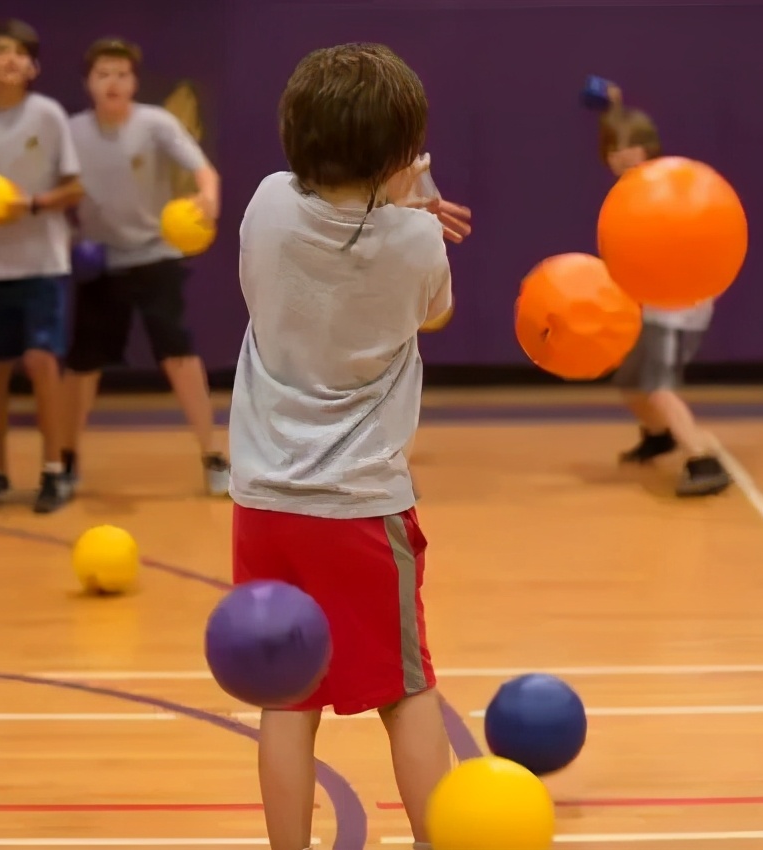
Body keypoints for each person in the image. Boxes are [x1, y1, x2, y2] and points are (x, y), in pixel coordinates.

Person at [226, 43, 470, 850]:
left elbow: (321, 229)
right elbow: (434, 312)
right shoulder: (417, 246)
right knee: (407, 691)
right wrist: (414, 206)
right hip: (362, 509)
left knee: (286, 700)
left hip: (263, 502)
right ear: (404, 156)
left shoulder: (265, 205)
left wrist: (398, 204)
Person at [62, 38, 228, 495]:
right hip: (100, 261)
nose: (112, 82)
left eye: (121, 73)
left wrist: (208, 198)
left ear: (133, 82)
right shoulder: (71, 131)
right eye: (103, 74)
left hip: (156, 256)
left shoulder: (157, 123)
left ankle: (213, 455)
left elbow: (204, 172)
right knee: (82, 366)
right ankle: (68, 459)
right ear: (89, 83)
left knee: (178, 356)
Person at [0, 18, 84, 514]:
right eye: (1, 50)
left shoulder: (47, 115)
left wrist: (28, 204)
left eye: (21, 53)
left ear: (33, 67)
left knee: (41, 361)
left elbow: (75, 187)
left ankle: (53, 471)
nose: (11, 59)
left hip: (44, 263)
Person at [597, 95, 732, 497]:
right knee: (632, 384)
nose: (622, 155)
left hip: (679, 309)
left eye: (630, 145)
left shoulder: (667, 187)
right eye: (613, 148)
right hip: (653, 308)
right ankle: (661, 435)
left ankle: (702, 459)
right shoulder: (628, 195)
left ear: (649, 147)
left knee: (655, 384)